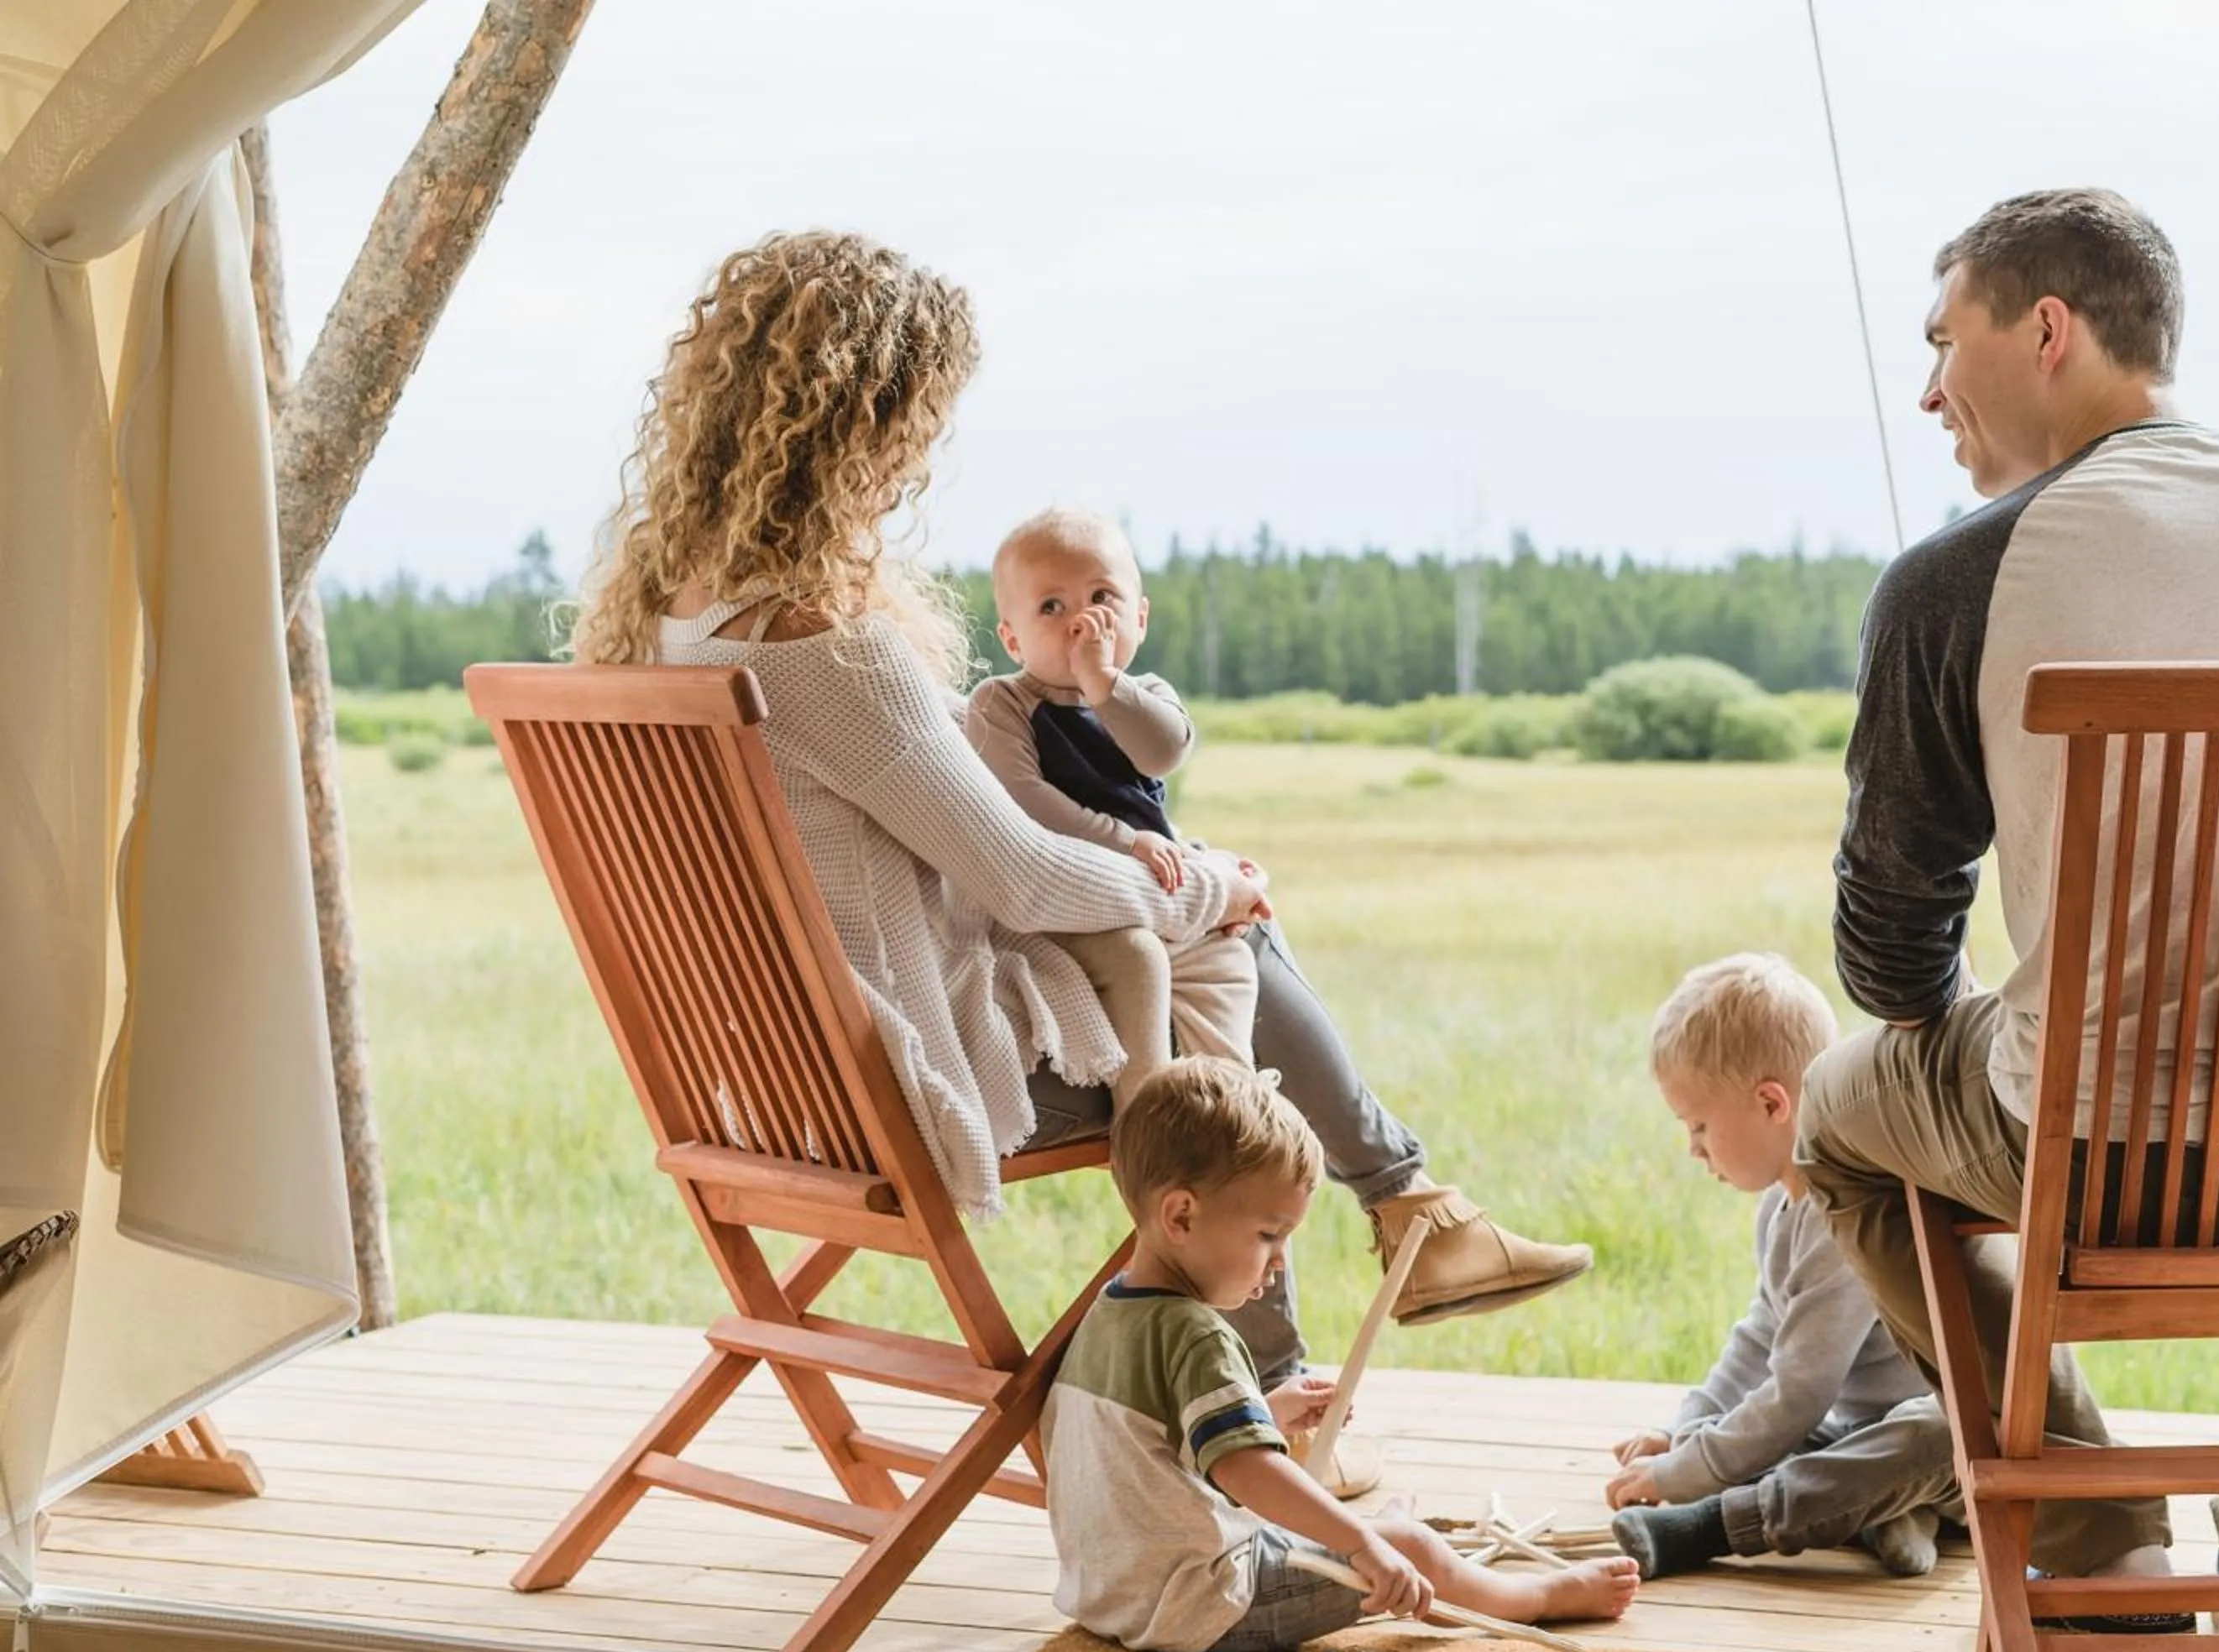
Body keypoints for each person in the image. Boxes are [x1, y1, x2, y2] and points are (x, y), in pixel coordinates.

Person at [568, 231, 1591, 1493]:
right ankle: (1274, 1373)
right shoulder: (821, 653)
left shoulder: (660, 623)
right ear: (868, 428)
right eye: (918, 425)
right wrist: (1207, 883)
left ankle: (1383, 1246)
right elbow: (1030, 883)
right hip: (910, 1079)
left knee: (1188, 917)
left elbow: (984, 841)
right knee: (1217, 934)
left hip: (760, 1080)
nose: (917, 462)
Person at [1793, 186, 2219, 1641]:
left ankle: (2099, 1525)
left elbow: (1892, 963)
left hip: (2107, 1163)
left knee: (1836, 1117)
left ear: (2046, 330)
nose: (1925, 390)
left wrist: (1996, 998)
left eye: (1942, 342)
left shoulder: (1961, 573)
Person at [1042, 1057, 1641, 1652]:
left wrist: (1265, 1413)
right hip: (1203, 1606)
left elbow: (1158, 1460)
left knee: (1324, 1524)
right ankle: (1536, 1599)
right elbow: (1246, 1475)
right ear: (1181, 1215)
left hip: (1109, 1596)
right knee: (1411, 1550)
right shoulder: (1196, 1336)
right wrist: (1364, 1545)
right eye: (1268, 1235)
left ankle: (1381, 1528)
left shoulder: (1106, 1314)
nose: (1279, 1262)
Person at [1605, 954, 1960, 1580]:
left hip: (1938, 1435)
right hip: (1853, 1430)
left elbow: (1799, 1392)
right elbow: (1764, 1332)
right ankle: (1885, 1512)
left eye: (1699, 1126)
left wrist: (1679, 1478)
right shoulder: (1781, 1203)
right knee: (1777, 1444)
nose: (1693, 1149)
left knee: (1910, 1437)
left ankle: (1718, 1526)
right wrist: (1686, 1430)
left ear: (1772, 1104)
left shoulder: (1843, 1207)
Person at [966, 507, 1257, 1117]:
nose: (1082, 623)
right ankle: (1145, 1126)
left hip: (1158, 896)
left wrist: (1104, 686)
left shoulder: (1146, 695)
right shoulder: (1003, 705)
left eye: (1102, 597)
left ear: (1140, 618)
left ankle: (1229, 1114)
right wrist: (1126, 842)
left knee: (1231, 960)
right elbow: (1026, 804)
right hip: (1070, 910)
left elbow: (1163, 752)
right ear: (1012, 638)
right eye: (1052, 607)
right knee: (1137, 959)